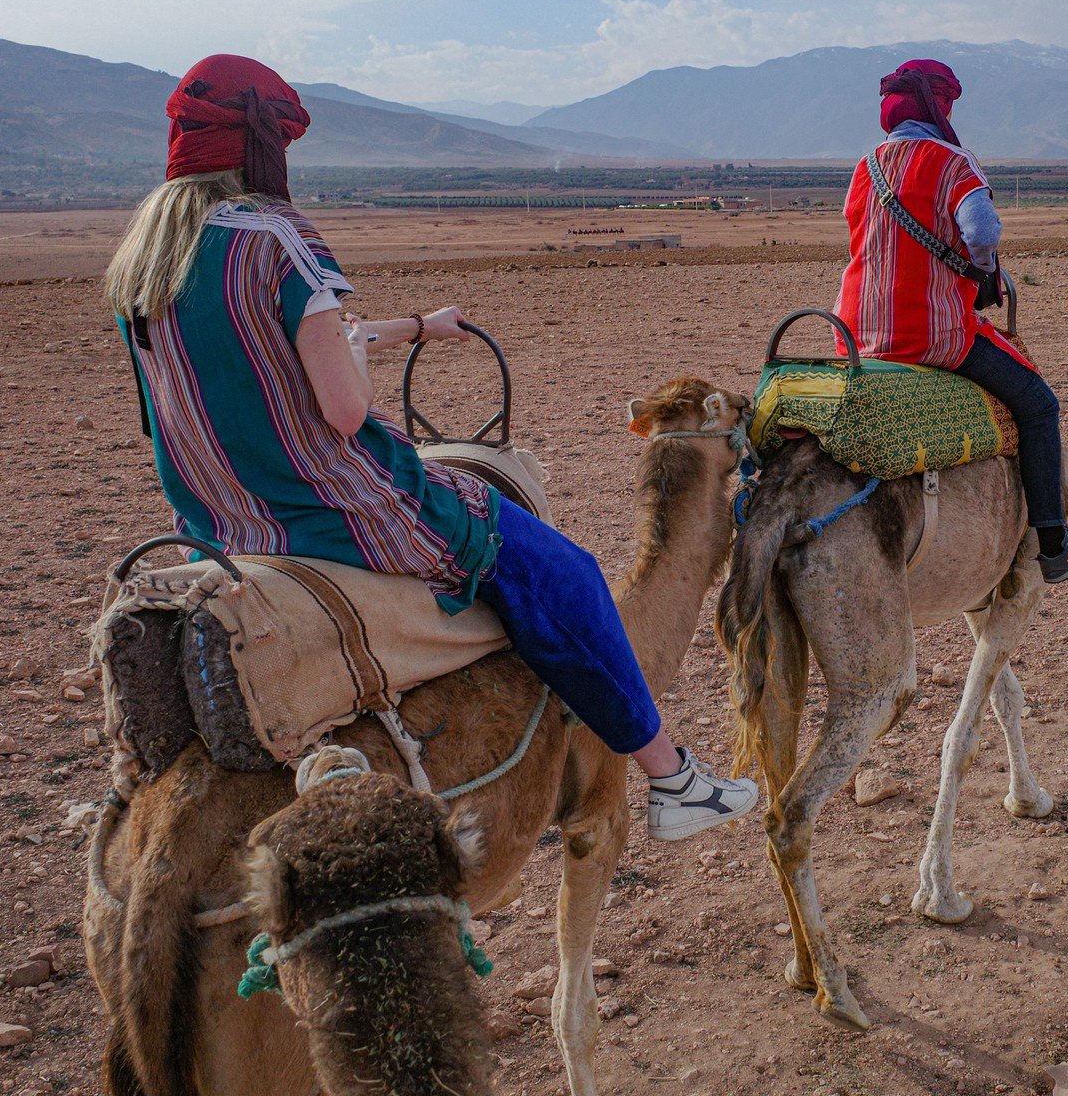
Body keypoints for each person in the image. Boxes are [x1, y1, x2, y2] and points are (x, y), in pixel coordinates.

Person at [104, 54, 756, 841]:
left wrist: (410, 328)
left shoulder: (143, 261)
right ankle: (673, 779)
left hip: (225, 521)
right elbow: (344, 411)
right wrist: (353, 354)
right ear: (262, 147)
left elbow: (244, 370)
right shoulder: (277, 239)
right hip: (334, 506)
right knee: (563, 574)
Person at [831, 58, 1068, 582]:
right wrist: (980, 267)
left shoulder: (864, 165)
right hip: (931, 333)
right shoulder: (953, 162)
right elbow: (982, 231)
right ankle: (1055, 544)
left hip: (855, 332)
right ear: (937, 104)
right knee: (1037, 406)